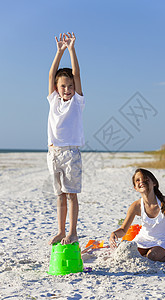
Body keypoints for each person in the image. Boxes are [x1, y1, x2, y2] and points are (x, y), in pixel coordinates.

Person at [47, 32, 85, 245]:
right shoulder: (53, 100)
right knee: (60, 195)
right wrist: (58, 51)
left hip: (71, 153)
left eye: (70, 86)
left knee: (71, 195)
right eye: (63, 86)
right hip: (53, 153)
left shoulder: (77, 103)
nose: (67, 89)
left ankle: (72, 232)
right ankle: (61, 231)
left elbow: (77, 74)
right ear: (57, 88)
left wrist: (71, 49)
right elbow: (52, 73)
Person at [110, 168, 165, 264]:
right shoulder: (136, 206)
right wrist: (114, 234)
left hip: (164, 240)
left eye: (145, 179)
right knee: (126, 251)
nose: (141, 181)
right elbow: (124, 230)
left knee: (152, 256)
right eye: (138, 180)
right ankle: (146, 254)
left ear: (154, 183)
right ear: (135, 188)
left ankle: (159, 255)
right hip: (143, 239)